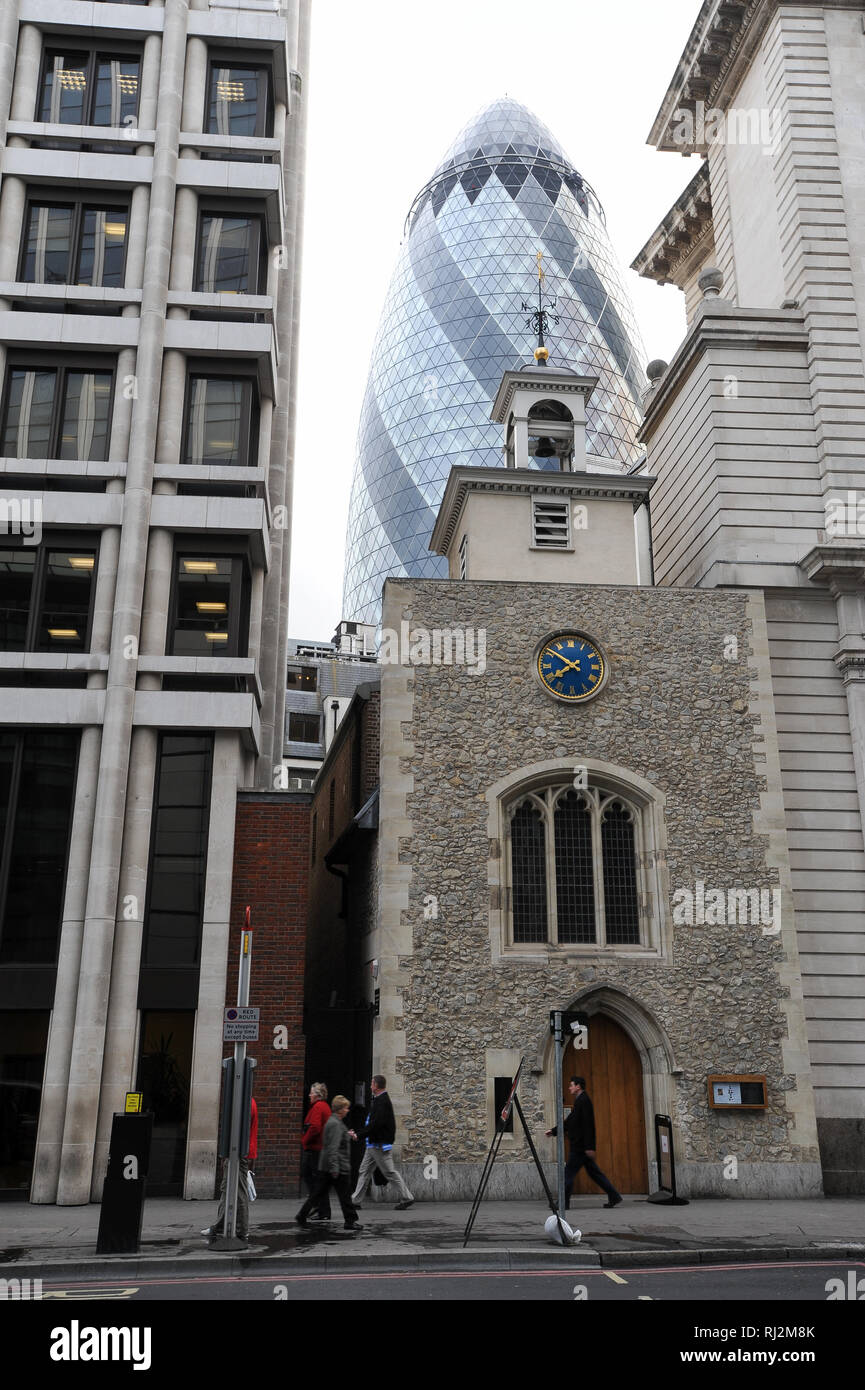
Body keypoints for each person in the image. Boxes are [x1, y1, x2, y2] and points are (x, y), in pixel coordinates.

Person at [546, 1076, 622, 1209]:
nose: (569, 1088)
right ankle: (614, 1195)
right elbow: (571, 1121)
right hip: (581, 1146)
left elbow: (588, 1125)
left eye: (571, 1085)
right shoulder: (580, 1101)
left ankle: (563, 1203)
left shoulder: (584, 1101)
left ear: (578, 1086)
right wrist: (554, 1131)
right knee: (595, 1173)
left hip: (580, 1147)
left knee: (568, 1174)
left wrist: (589, 1147)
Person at [295, 1095, 362, 1231]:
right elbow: (333, 1148)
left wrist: (346, 1134)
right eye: (346, 1108)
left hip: (327, 1166)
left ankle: (302, 1214)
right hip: (337, 1167)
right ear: (340, 1109)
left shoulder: (334, 1122)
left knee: (318, 1193)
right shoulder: (336, 1124)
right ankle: (350, 1221)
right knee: (344, 1196)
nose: (347, 1110)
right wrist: (335, 1169)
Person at [349, 1074, 414, 1210]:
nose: (371, 1085)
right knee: (364, 1171)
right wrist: (360, 1134)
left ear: (377, 1086)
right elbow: (373, 1123)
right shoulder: (379, 1100)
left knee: (389, 1172)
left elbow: (375, 1124)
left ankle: (407, 1197)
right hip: (373, 1144)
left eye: (372, 1083)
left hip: (378, 1145)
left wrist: (358, 1135)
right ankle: (355, 1201)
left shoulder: (382, 1101)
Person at [203, 1095, 258, 1242]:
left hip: (239, 1153)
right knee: (226, 1189)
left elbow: (239, 1133)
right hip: (239, 1152)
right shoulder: (247, 1102)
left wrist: (227, 1153)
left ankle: (242, 1229)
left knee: (239, 1192)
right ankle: (219, 1226)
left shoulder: (246, 1104)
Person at [301, 1082, 332, 1220]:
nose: (309, 1095)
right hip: (319, 1148)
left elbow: (315, 1127)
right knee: (317, 1179)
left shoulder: (318, 1107)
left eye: (312, 1093)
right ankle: (321, 1208)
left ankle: (321, 1208)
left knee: (312, 1177)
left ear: (318, 1095)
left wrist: (304, 1141)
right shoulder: (322, 1106)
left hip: (316, 1149)